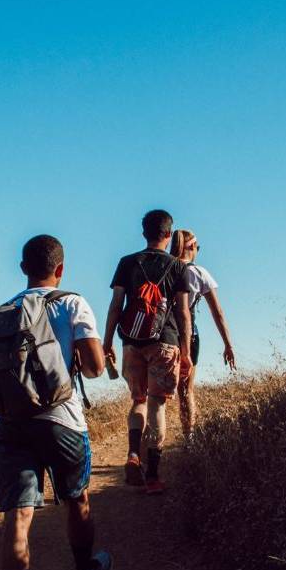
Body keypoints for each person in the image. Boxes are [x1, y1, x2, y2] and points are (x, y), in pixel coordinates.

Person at [0, 234, 112, 570]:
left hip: (12, 425)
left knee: (17, 519)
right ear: (61, 268)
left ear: (22, 268)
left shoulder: (1, 314)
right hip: (62, 421)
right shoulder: (73, 304)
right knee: (77, 499)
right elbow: (94, 369)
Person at [102, 209, 192, 494]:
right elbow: (183, 313)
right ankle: (153, 476)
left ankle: (132, 453)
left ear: (144, 233)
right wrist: (186, 352)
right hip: (165, 341)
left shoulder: (127, 262)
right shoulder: (178, 267)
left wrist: (107, 342)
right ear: (169, 234)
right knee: (157, 405)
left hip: (131, 341)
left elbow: (116, 306)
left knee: (138, 401)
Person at [169, 229, 235, 438]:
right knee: (186, 390)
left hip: (162, 335)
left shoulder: (165, 267)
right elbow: (218, 312)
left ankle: (149, 442)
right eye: (197, 247)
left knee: (153, 393)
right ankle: (189, 437)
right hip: (189, 336)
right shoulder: (199, 273)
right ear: (191, 247)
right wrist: (228, 344)